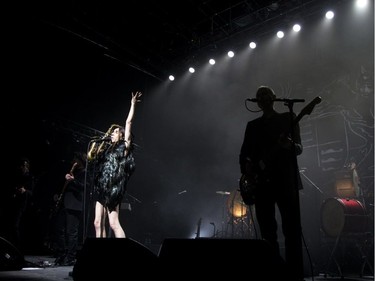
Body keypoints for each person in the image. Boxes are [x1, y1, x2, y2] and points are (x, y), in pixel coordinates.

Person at [239, 86, 304, 280]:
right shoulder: (252, 126)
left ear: (274, 98)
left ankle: (294, 273)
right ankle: (273, 274)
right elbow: (244, 154)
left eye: (266, 93)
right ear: (256, 101)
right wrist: (247, 169)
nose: (263, 97)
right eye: (259, 95)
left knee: (291, 230)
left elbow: (299, 148)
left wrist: (289, 145)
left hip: (285, 181)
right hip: (262, 185)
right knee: (268, 232)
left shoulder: (288, 118)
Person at [88, 91, 142, 238]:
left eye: (116, 132)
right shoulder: (106, 151)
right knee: (97, 223)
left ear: (121, 135)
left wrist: (132, 105)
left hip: (114, 189)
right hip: (102, 187)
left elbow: (128, 123)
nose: (113, 133)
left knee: (113, 224)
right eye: (113, 132)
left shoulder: (123, 148)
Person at [53, 152, 87, 266]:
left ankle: (71, 257)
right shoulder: (74, 172)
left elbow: (83, 188)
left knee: (71, 233)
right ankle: (62, 253)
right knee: (59, 230)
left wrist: (73, 180)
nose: (73, 162)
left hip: (75, 206)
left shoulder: (84, 173)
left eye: (75, 159)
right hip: (65, 204)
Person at [11, 157, 36, 252]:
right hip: (16, 203)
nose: (23, 168)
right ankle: (16, 246)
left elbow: (33, 192)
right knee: (15, 225)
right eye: (22, 166)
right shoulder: (17, 176)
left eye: (25, 166)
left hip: (25, 205)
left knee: (19, 226)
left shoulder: (30, 177)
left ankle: (20, 247)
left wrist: (25, 191)